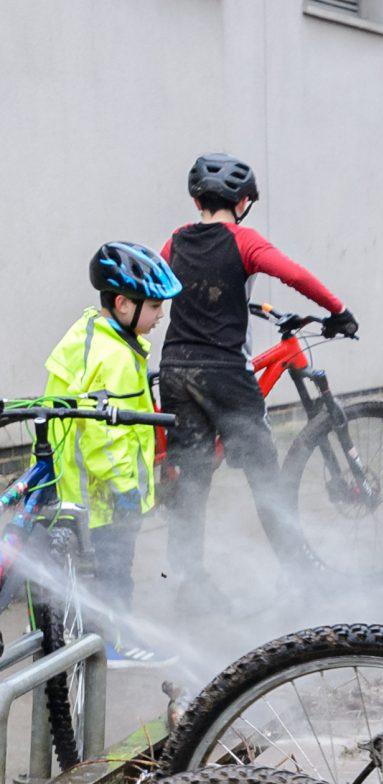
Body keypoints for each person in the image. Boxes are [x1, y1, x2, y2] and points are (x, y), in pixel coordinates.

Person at [159, 152, 355, 593]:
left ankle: (190, 586)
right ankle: (301, 579)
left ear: (197, 203)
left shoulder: (175, 241)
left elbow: (153, 281)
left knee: (191, 483)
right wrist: (338, 310)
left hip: (176, 369)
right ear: (243, 202)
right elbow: (296, 275)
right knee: (265, 478)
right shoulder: (244, 241)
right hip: (225, 372)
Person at [41, 244, 183, 667]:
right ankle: (113, 645)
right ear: (122, 303)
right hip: (105, 493)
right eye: (155, 306)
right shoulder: (118, 357)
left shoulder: (93, 330)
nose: (161, 316)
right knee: (114, 570)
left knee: (96, 570)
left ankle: (98, 635)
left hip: (75, 481)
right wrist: (125, 490)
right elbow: (107, 439)